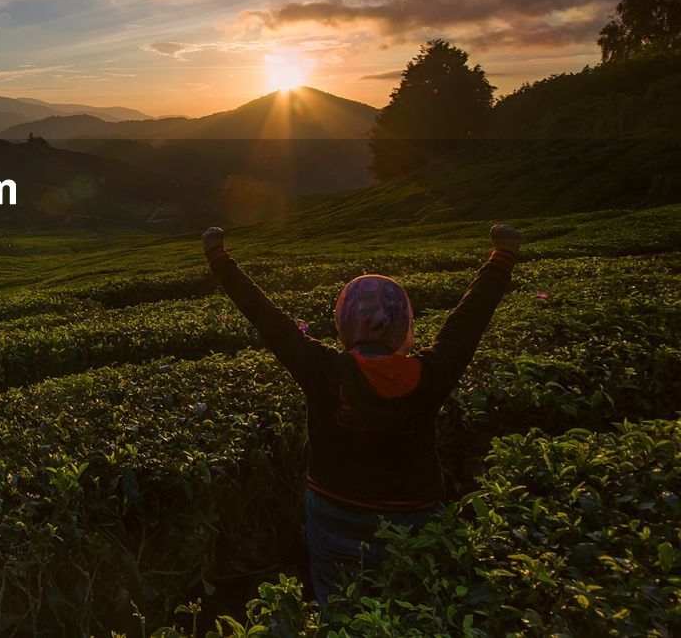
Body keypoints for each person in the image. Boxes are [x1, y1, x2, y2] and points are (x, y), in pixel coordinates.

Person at [201, 222, 521, 606]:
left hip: (334, 514)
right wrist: (502, 257)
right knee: (416, 603)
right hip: (415, 518)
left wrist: (218, 258)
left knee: (338, 607)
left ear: (344, 322)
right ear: (404, 323)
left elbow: (267, 318)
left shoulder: (323, 370)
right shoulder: (430, 375)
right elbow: (468, 319)